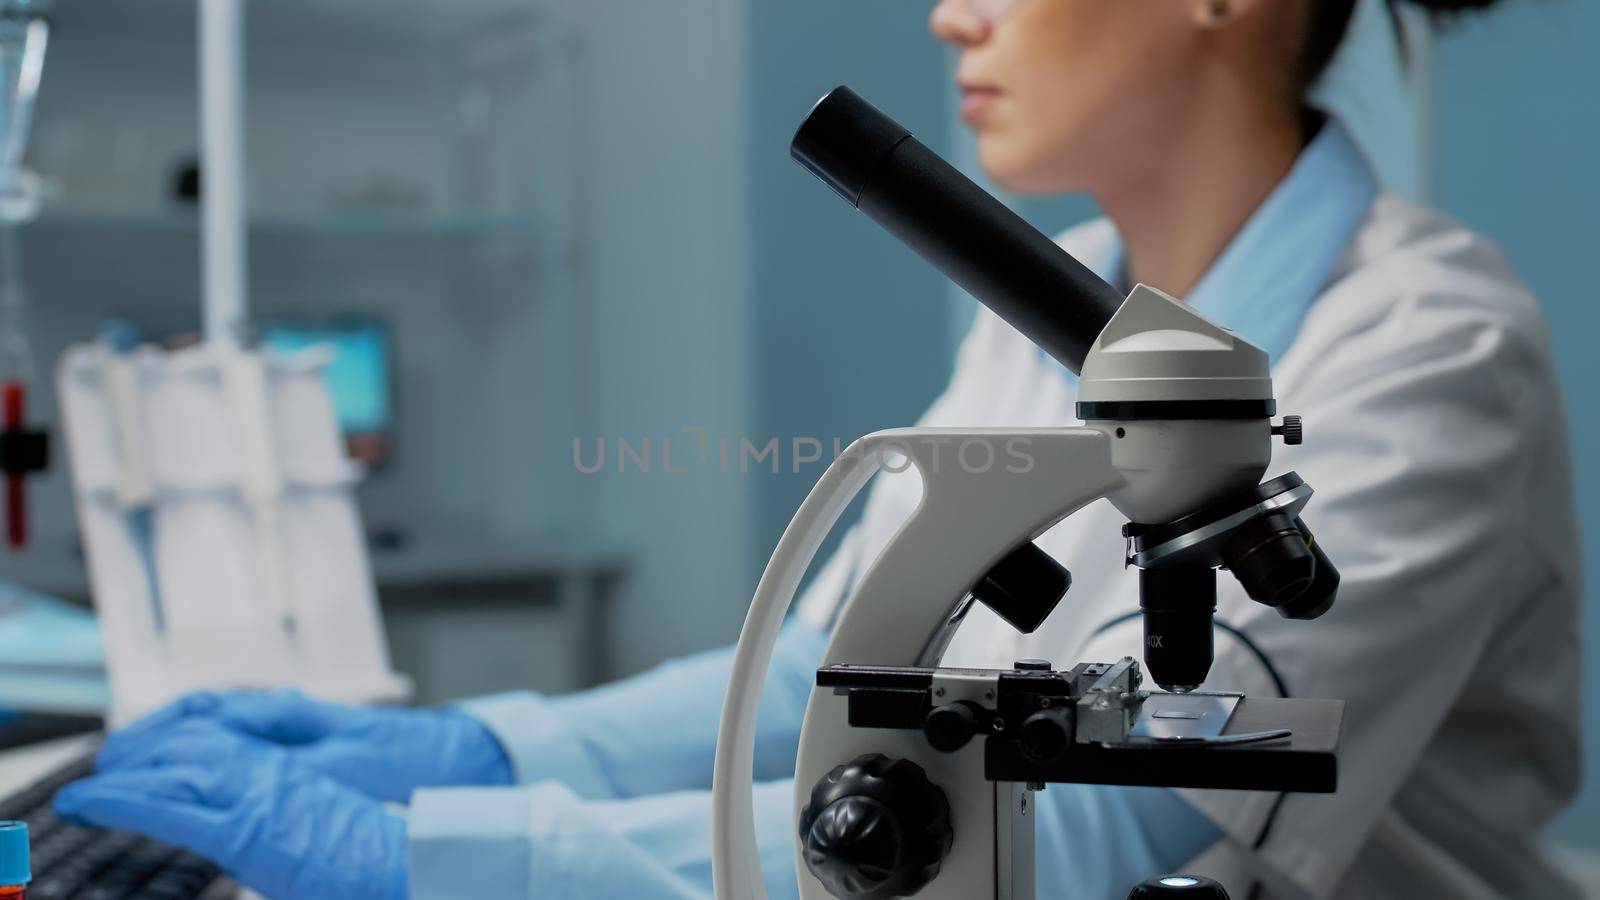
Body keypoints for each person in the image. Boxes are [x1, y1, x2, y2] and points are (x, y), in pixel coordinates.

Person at [55, 0, 1581, 897]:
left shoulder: (1427, 353)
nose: (947, 14)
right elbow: (832, 680)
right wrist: (488, 749)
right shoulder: (1054, 297)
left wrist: (456, 857)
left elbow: (1110, 823)